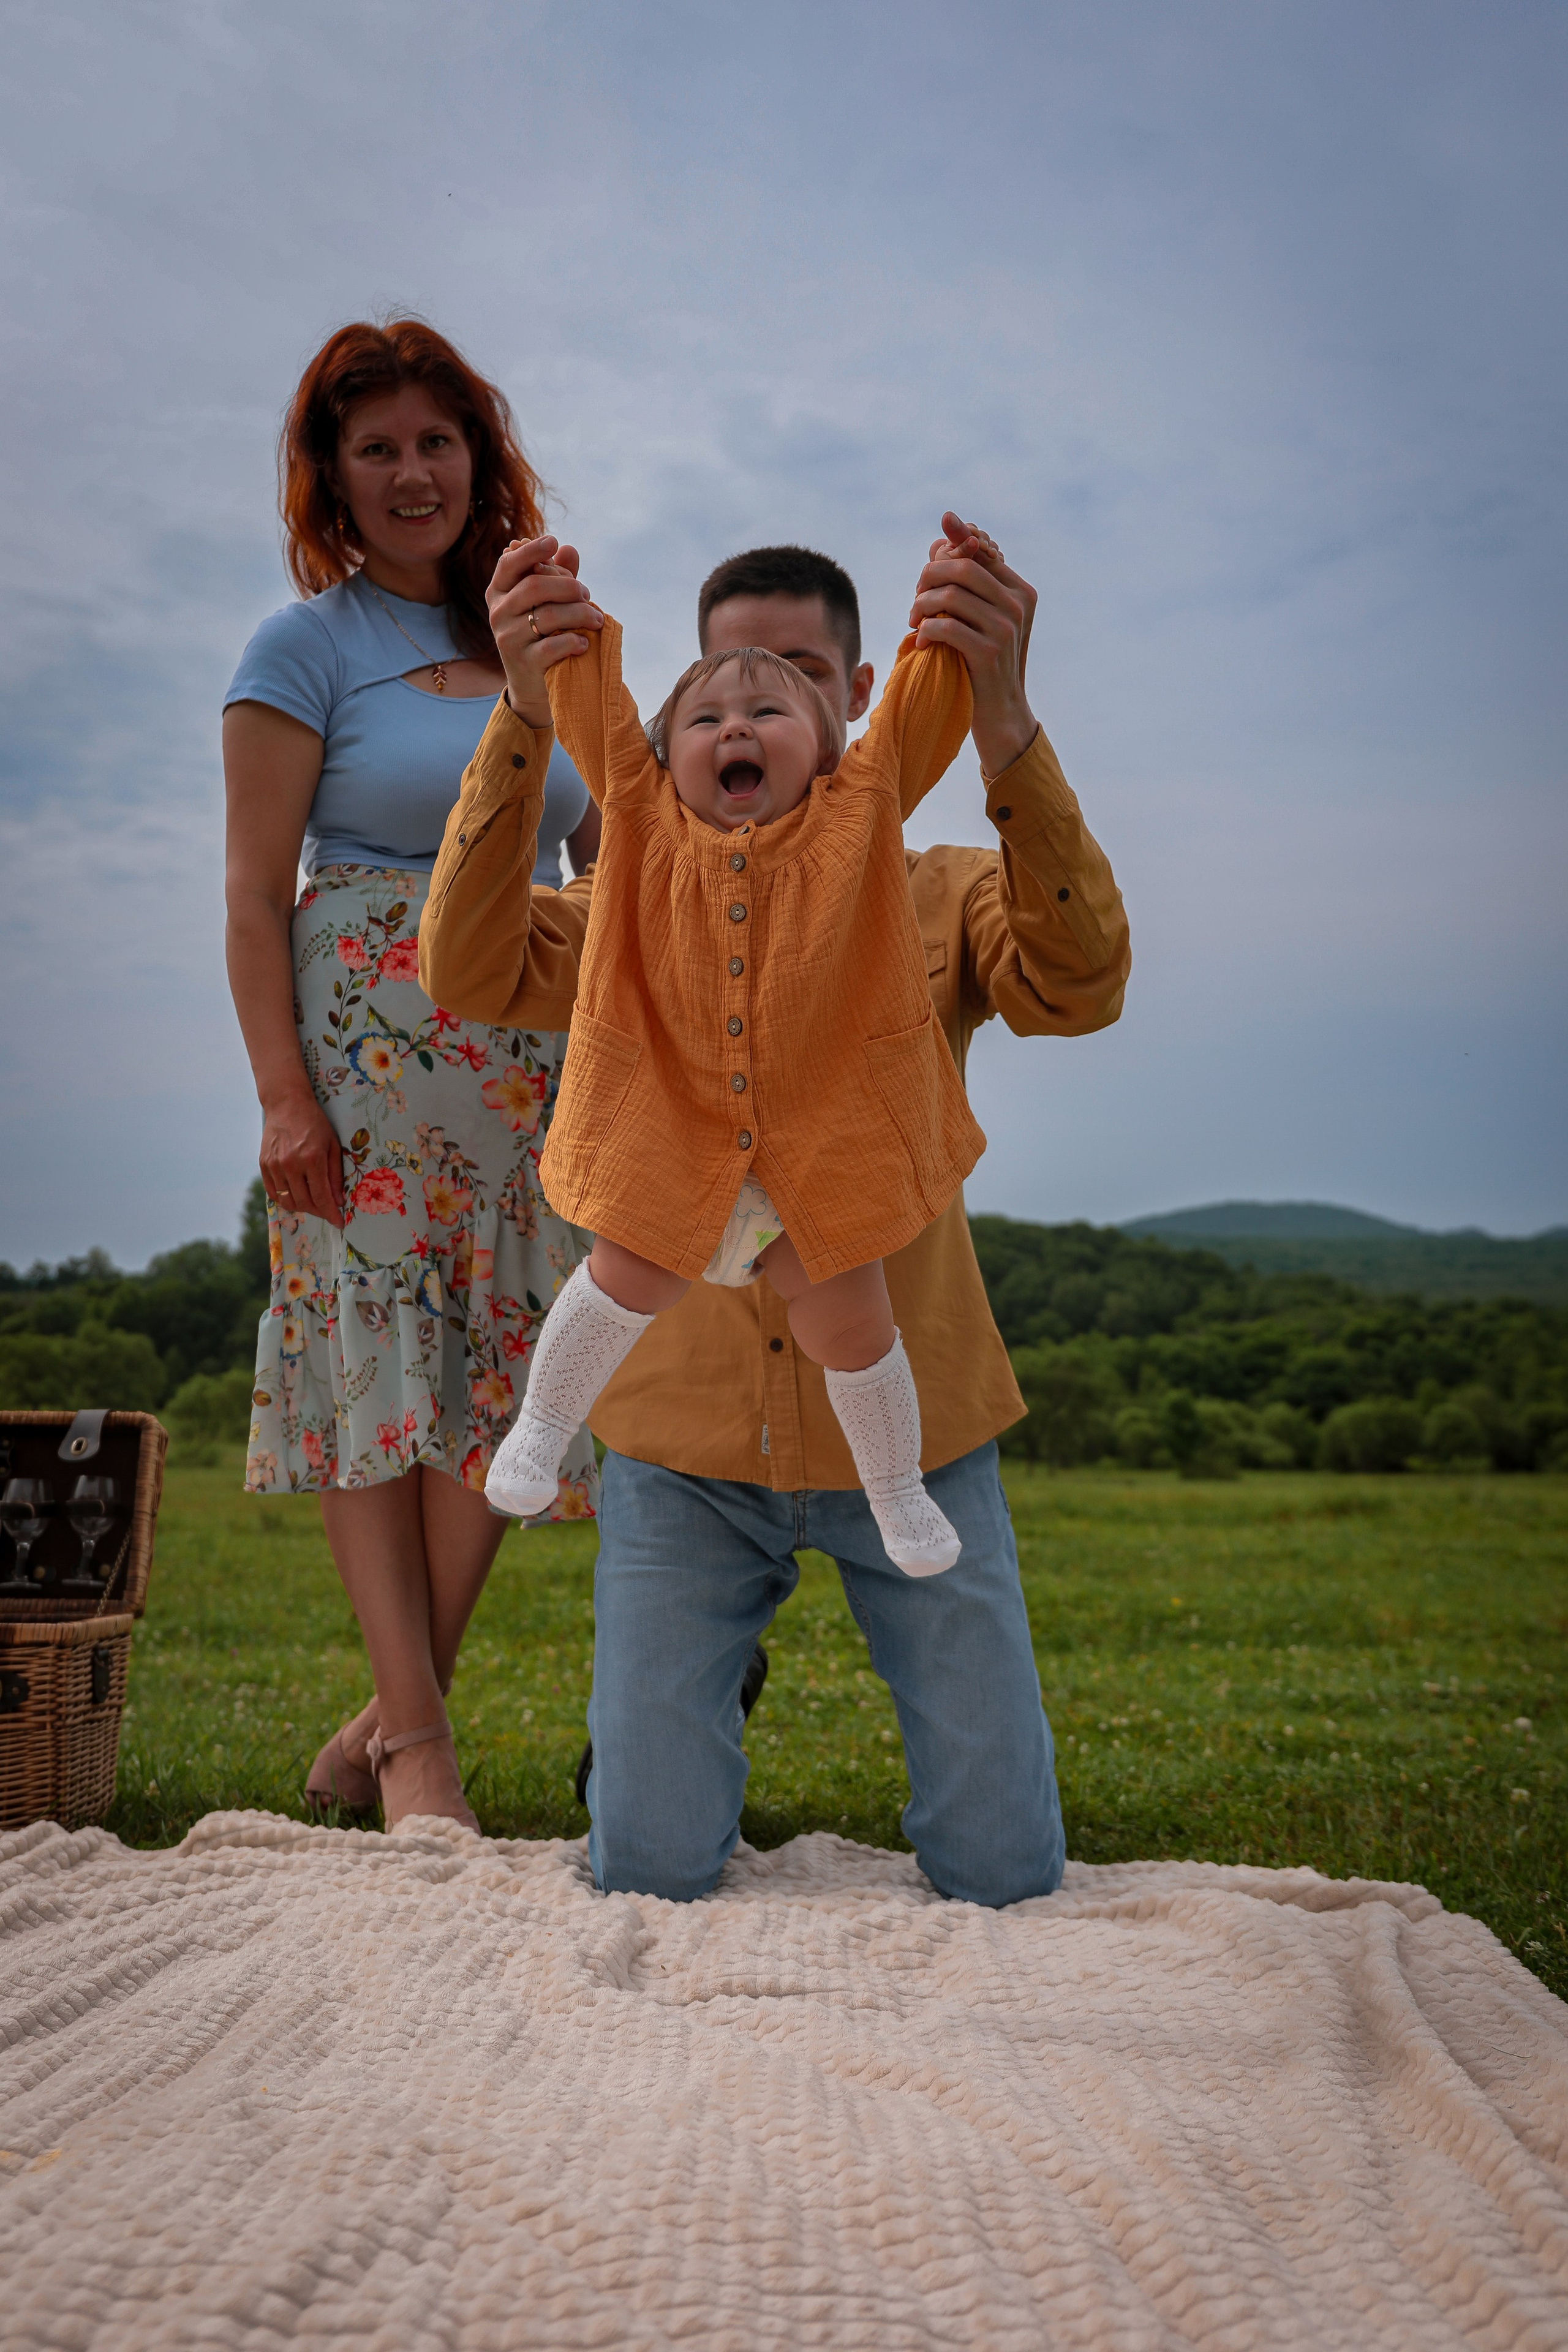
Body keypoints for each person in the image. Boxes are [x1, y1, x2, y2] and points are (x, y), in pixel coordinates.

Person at [421, 521, 1131, 1902]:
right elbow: (466, 960)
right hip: (685, 1450)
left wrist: (1000, 719)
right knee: (650, 1862)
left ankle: (712, 1688)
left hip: (911, 1425)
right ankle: (666, 1711)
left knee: (1002, 1868)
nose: (756, 705)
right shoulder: (631, 894)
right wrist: (521, 708)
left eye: (796, 676)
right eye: (720, 686)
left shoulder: (929, 884)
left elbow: (1080, 983)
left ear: (858, 698)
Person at [223, 318, 598, 1833]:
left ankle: (384, 1724)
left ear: (476, 454)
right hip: (363, 1057)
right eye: (373, 447)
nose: (410, 471)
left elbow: (604, 847)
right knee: (376, 1365)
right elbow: (254, 894)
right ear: (332, 476)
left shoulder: (544, 626)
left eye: (434, 440)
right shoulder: (301, 647)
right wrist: (279, 1098)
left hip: (529, 1068)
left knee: (499, 1381)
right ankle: (420, 1759)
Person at [482, 523, 1008, 1577]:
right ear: (665, 751)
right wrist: (559, 625)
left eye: (772, 711)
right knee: (613, 1277)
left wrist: (951, 630)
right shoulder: (637, 818)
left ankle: (898, 1494)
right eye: (708, 716)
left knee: (857, 1319)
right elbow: (594, 715)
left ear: (827, 748)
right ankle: (539, 1433)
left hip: (810, 1172)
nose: (739, 726)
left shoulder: (859, 819)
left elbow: (912, 722)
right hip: (675, 1161)